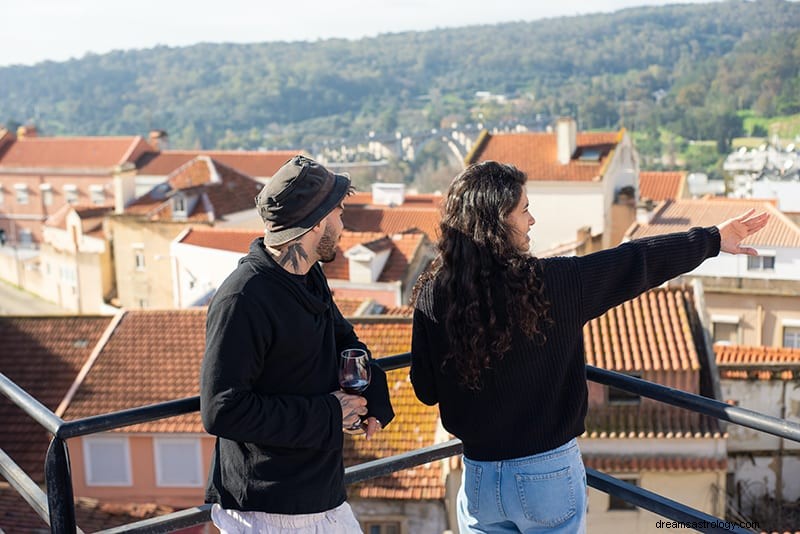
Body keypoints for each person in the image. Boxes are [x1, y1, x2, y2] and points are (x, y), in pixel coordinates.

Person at [410, 161, 769, 533]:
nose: (531, 220)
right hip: (546, 476)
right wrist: (712, 239)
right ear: (498, 221)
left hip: (480, 477)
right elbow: (636, 261)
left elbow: (425, 390)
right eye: (525, 210)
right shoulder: (555, 284)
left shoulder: (433, 296)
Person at [201, 155, 395, 534]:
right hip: (267, 509)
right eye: (339, 211)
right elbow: (221, 409)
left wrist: (371, 388)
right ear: (317, 222)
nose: (343, 223)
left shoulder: (309, 275)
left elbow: (343, 340)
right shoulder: (242, 299)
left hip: (322, 494)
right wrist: (329, 414)